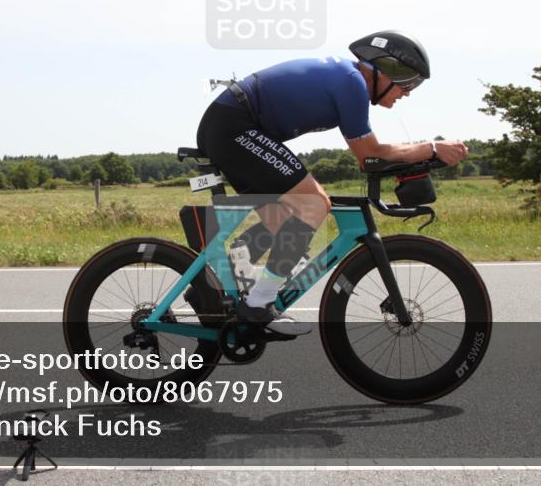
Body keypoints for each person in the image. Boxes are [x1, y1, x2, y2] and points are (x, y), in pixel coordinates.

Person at [195, 31, 469, 335]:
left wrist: (418, 158)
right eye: (406, 81)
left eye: (414, 85)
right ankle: (258, 304)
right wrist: (430, 148)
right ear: (382, 68)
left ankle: (211, 287)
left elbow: (373, 158)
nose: (407, 92)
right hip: (234, 125)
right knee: (314, 205)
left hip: (234, 126)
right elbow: (370, 155)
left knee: (287, 228)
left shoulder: (348, 80)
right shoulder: (352, 83)